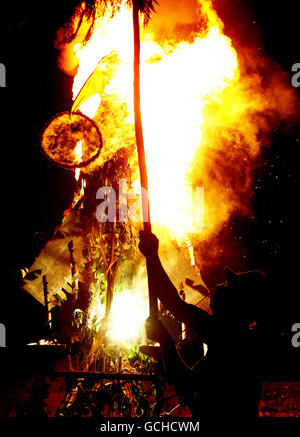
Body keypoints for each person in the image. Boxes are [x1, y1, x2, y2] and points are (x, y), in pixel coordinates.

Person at [139, 230, 272, 421]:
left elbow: (186, 383)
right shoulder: (228, 331)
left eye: (227, 287)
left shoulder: (232, 341)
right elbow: (174, 303)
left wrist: (166, 342)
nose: (217, 287)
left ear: (239, 305)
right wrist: (151, 256)